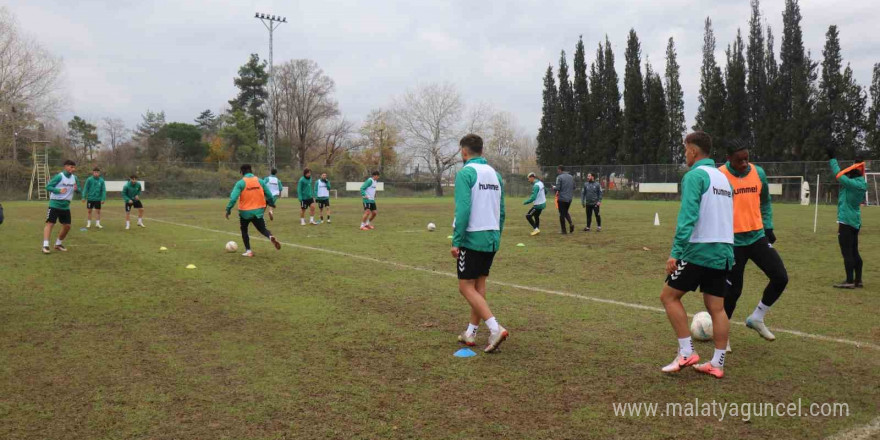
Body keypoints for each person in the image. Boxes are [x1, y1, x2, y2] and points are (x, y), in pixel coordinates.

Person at [659, 131, 733, 379]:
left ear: (693, 150)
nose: (685, 154)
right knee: (717, 308)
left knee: (668, 297)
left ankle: (686, 352)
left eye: (685, 149)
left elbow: (688, 217)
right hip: (722, 250)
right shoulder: (724, 178)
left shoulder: (695, 176)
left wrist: (676, 252)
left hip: (699, 249)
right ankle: (717, 363)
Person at [718, 142, 788, 347]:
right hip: (732, 242)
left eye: (747, 158)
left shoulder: (758, 173)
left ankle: (757, 317)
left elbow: (765, 201)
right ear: (729, 157)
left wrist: (768, 226)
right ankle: (724, 333)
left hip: (757, 237)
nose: (744, 163)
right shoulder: (720, 176)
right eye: (739, 159)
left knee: (780, 277)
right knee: (733, 291)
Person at [452, 134, 508, 353]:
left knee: (465, 286)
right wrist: (497, 234)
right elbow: (502, 211)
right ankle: (471, 332)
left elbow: (463, 209)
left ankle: (495, 328)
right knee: (479, 285)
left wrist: (457, 240)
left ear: (464, 152)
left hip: (472, 237)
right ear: (481, 151)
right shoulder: (496, 174)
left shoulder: (465, 173)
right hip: (492, 236)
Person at [828, 150, 867, 288]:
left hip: (846, 221)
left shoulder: (853, 184)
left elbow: (838, 175)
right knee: (854, 250)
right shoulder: (860, 183)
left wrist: (832, 158)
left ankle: (850, 281)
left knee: (847, 251)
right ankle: (858, 280)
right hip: (855, 221)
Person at [225, 164, 281, 257]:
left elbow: (233, 198)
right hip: (258, 211)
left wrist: (228, 210)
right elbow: (269, 194)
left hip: (245, 212)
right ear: (251, 171)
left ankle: (248, 251)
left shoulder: (240, 183)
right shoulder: (260, 181)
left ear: (241, 172)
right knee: (262, 229)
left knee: (244, 230)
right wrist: (271, 202)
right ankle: (270, 236)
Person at [42, 160, 81, 254]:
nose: (73, 169)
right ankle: (45, 245)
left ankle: (58, 244)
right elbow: (48, 187)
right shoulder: (60, 176)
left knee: (67, 226)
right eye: (71, 167)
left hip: (66, 206)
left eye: (74, 167)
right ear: (65, 167)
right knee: (50, 224)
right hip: (54, 204)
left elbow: (79, 190)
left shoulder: (75, 178)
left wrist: (77, 190)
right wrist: (58, 191)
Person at [553, 165, 575, 234]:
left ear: (559, 170)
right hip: (569, 198)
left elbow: (558, 188)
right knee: (565, 212)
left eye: (557, 170)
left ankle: (564, 230)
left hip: (562, 198)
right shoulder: (571, 177)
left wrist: (554, 187)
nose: (557, 171)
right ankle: (571, 223)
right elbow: (574, 187)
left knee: (561, 214)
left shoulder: (559, 177)